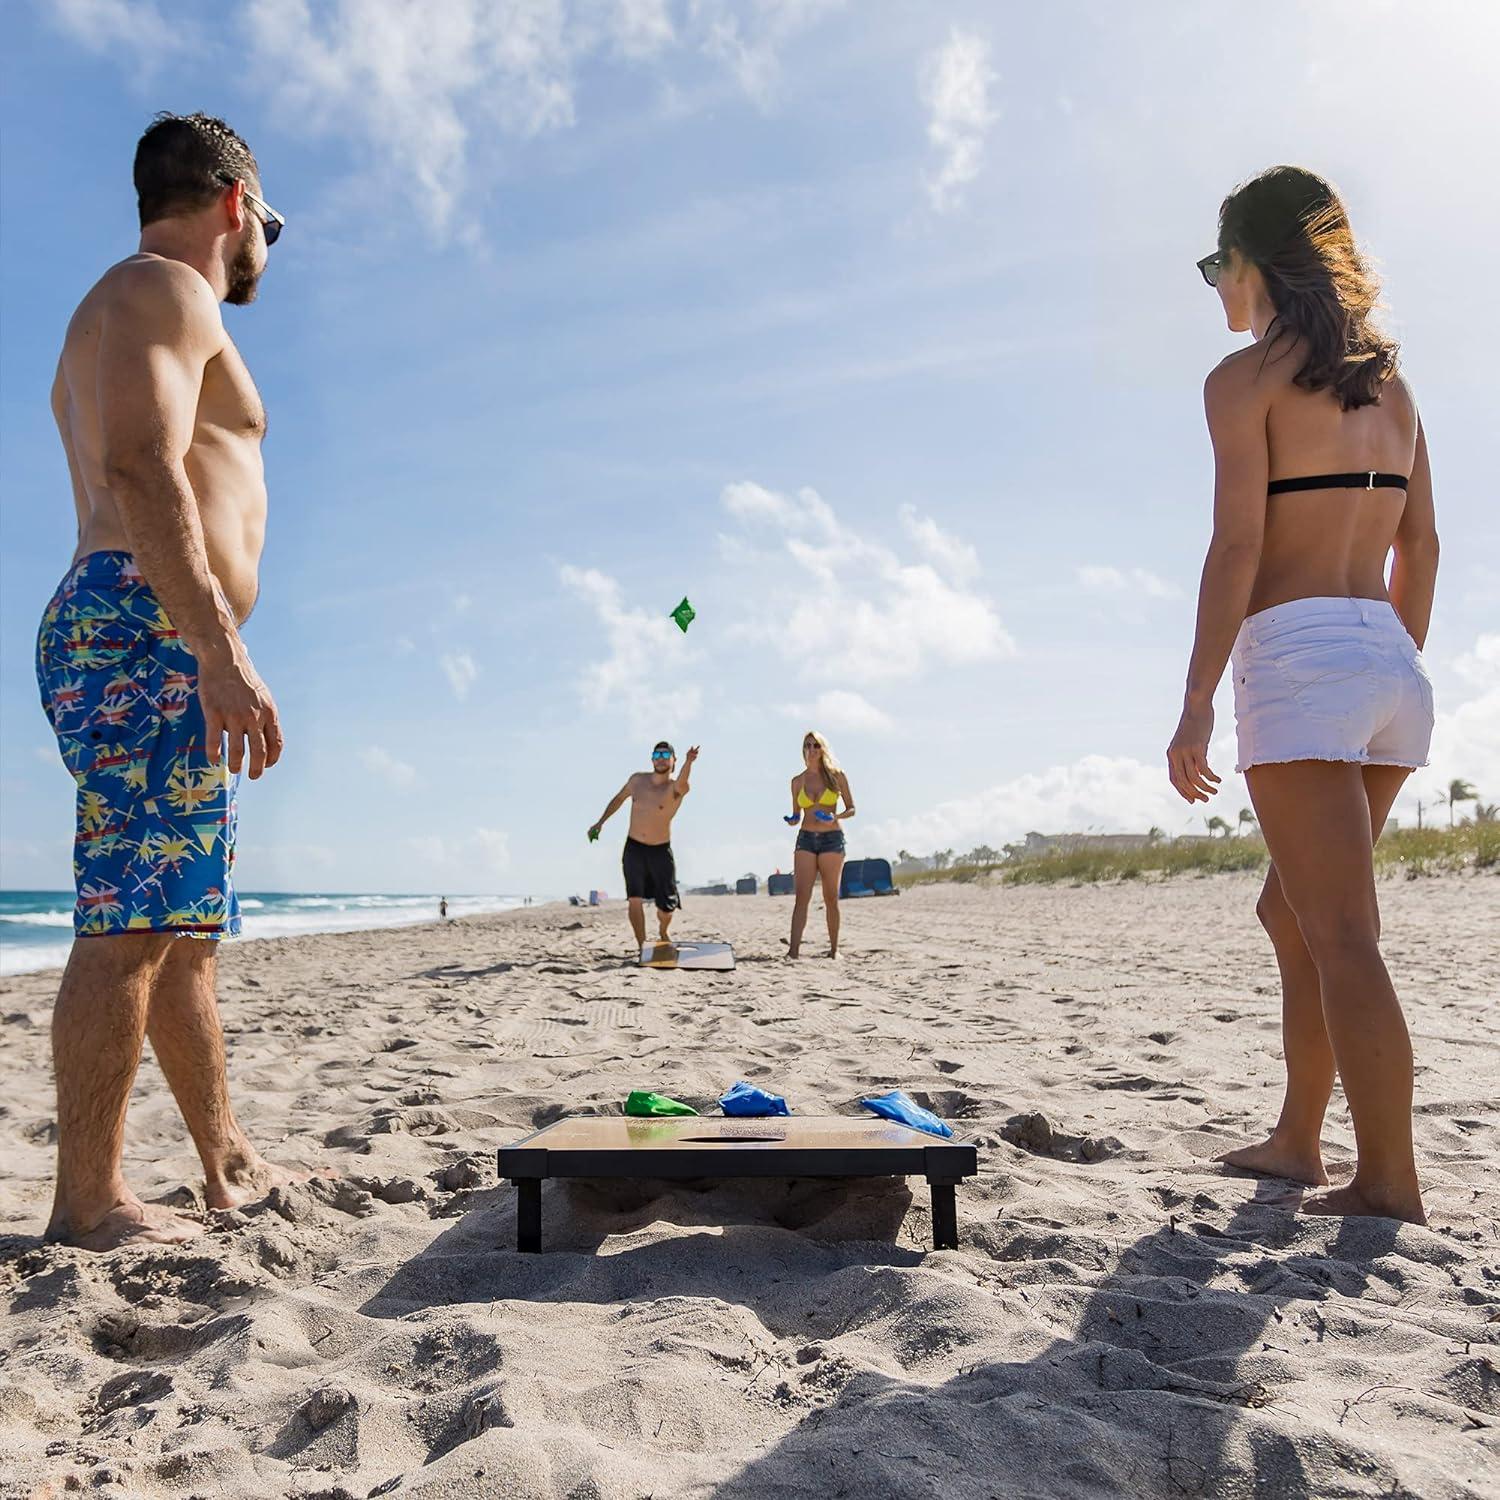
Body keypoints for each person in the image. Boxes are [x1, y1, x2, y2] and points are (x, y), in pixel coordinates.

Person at [34, 113, 305, 1250]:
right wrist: (216, 645)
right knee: (129, 927)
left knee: (181, 924)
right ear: (234, 201)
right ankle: (89, 1203)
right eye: (269, 226)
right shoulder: (160, 289)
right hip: (147, 624)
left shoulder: (143, 301)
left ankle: (224, 1160)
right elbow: (141, 463)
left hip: (155, 625)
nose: (264, 251)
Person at [1167, 166, 1437, 1224]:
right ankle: (1296, 1140)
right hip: (1386, 656)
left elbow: (1238, 544)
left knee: (1340, 930)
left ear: (1250, 259)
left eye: (1212, 265)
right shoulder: (1392, 387)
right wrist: (1383, 658)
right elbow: (1421, 543)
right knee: (1290, 910)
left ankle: (1389, 1182)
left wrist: (1196, 701)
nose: (1213, 287)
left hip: (1300, 649)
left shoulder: (1244, 382)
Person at [589, 742, 699, 950]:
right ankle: (643, 947)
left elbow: (684, 779)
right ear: (651, 759)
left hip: (660, 850)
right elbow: (619, 799)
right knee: (634, 899)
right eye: (657, 754)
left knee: (666, 908)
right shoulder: (637, 781)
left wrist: (689, 761)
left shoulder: (676, 788)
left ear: (673, 761)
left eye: (666, 754)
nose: (661, 757)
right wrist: (600, 822)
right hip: (634, 848)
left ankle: (663, 930)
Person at [786, 730, 855, 959]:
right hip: (806, 838)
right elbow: (797, 814)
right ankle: (793, 951)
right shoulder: (797, 781)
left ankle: (835, 950)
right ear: (803, 750)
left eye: (816, 745)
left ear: (823, 749)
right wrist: (793, 819)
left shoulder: (836, 776)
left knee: (830, 897)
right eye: (808, 745)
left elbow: (851, 808)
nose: (812, 750)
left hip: (832, 840)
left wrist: (836, 817)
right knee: (801, 897)